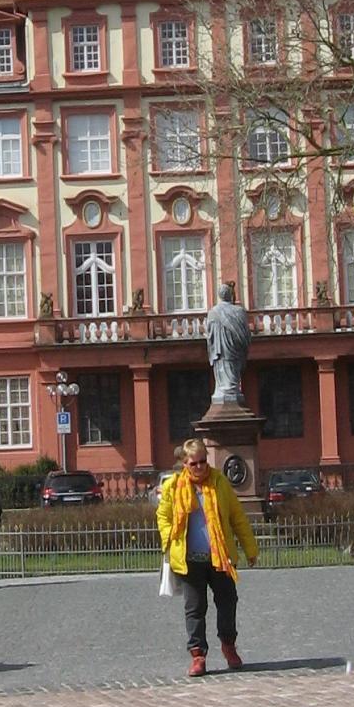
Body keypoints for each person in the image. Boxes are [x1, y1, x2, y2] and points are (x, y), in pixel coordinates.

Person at [156, 439, 258, 676]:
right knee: (195, 608)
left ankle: (228, 646)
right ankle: (198, 655)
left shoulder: (220, 482)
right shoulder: (173, 486)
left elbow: (237, 517)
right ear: (185, 463)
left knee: (227, 602)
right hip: (190, 559)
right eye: (194, 463)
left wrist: (250, 549)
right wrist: (168, 540)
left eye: (203, 461)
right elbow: (163, 516)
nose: (200, 467)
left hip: (219, 556)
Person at [205, 280, 251, 403]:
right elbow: (246, 334)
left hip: (220, 352)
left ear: (220, 296)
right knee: (234, 378)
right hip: (235, 351)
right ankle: (232, 391)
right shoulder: (239, 311)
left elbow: (209, 336)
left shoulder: (213, 312)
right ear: (231, 295)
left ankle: (223, 391)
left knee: (223, 376)